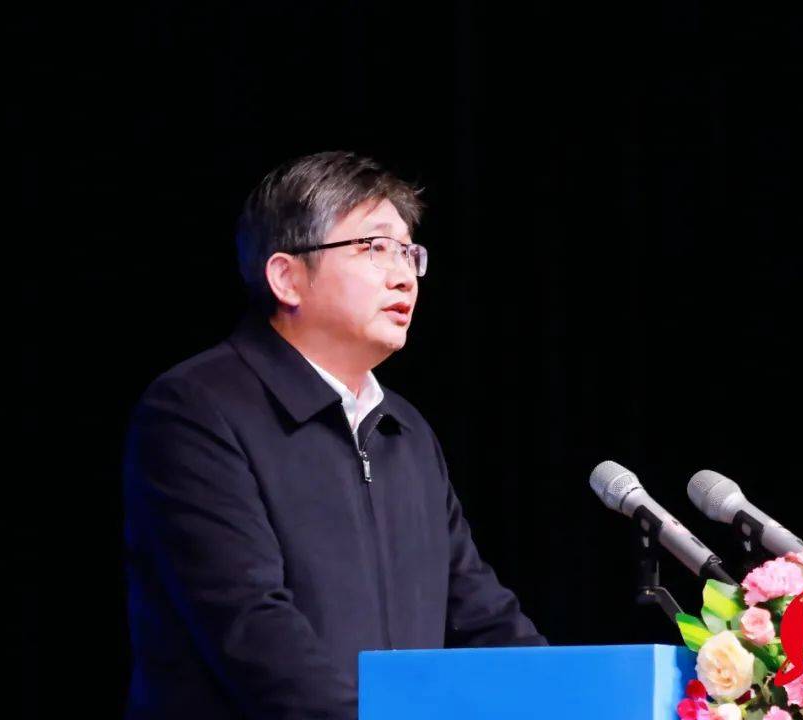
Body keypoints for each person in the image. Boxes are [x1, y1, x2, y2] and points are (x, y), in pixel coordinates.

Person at [122, 151, 546, 720]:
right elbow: (251, 628)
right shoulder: (197, 409)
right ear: (287, 277)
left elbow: (480, 615)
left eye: (409, 253)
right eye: (375, 248)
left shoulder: (405, 431)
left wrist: (576, 696)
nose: (403, 276)